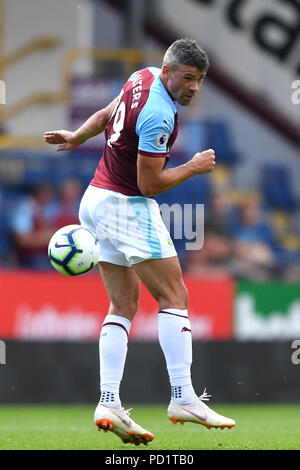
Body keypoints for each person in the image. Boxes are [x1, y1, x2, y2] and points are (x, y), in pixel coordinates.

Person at [44, 38, 235, 446]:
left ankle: (108, 400)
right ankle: (183, 397)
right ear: (168, 71)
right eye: (187, 78)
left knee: (123, 305)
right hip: (127, 205)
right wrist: (194, 166)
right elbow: (150, 184)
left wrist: (77, 136)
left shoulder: (140, 77)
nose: (194, 88)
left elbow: (107, 112)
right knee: (175, 295)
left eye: (200, 80)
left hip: (94, 200)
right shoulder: (159, 115)